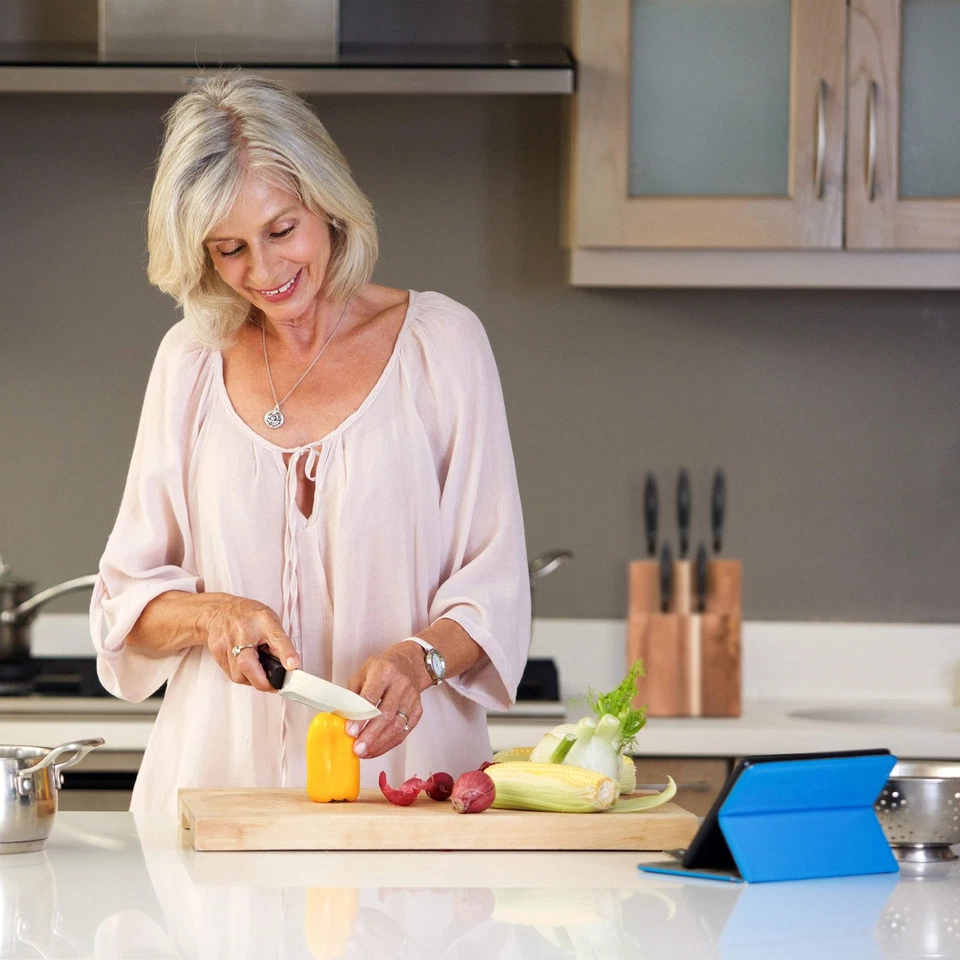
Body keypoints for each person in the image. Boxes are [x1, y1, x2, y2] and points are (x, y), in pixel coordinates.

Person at [89, 70, 530, 817]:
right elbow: (122, 601)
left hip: (403, 791)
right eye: (228, 249)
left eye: (281, 231)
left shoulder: (442, 346)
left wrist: (418, 659)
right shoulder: (190, 360)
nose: (262, 272)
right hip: (215, 795)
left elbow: (495, 589)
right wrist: (212, 615)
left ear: (327, 204)